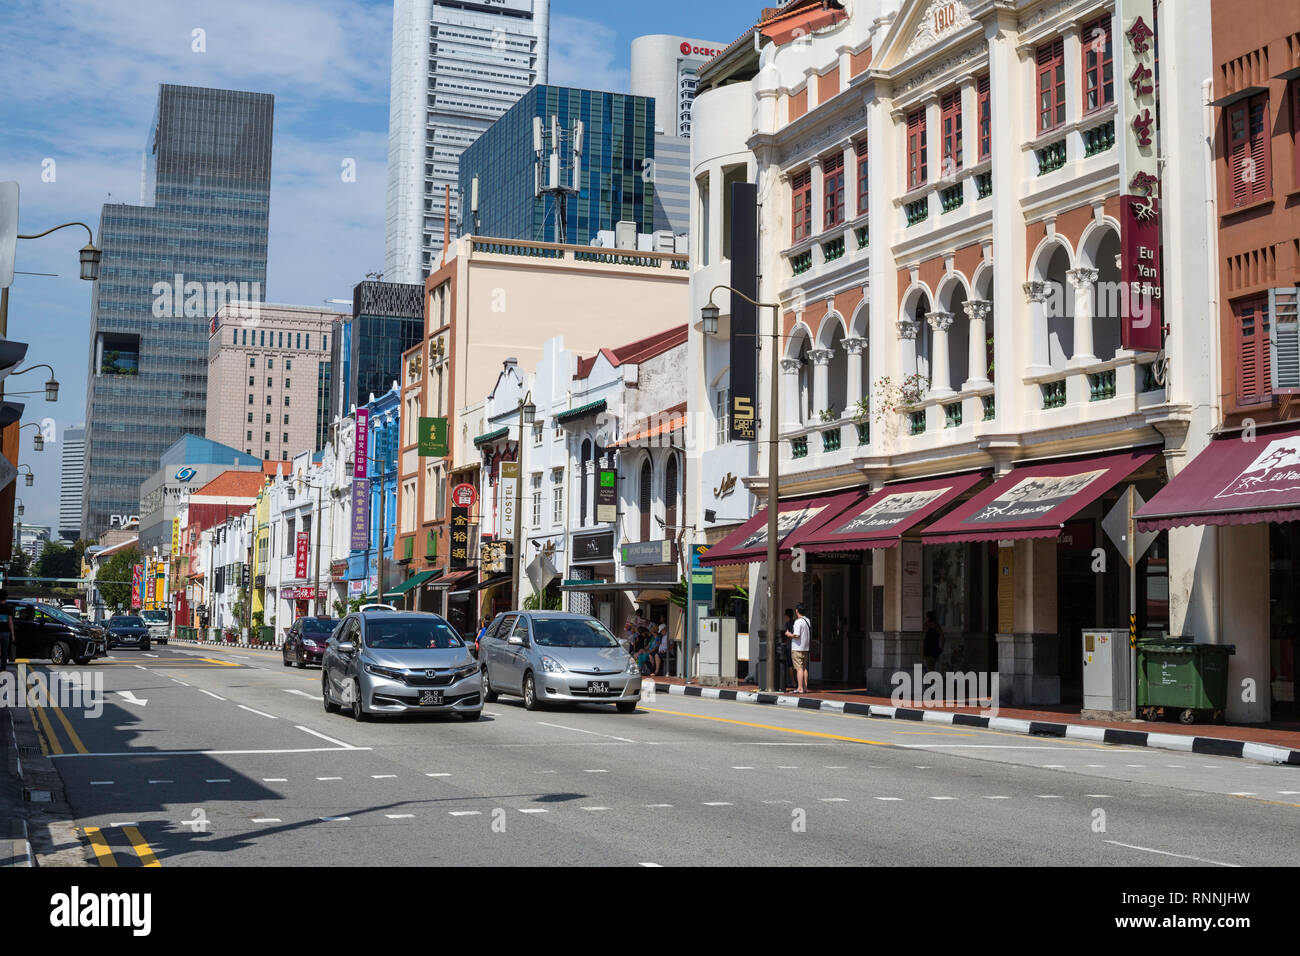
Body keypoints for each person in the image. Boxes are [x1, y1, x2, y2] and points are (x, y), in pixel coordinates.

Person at [790, 604, 811, 694]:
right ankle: (805, 687)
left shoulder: (798, 622)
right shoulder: (807, 620)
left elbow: (797, 635)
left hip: (797, 648)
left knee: (799, 668)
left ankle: (800, 688)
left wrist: (789, 634)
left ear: (797, 611)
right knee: (804, 668)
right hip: (805, 648)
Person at [778, 609, 795, 692]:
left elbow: (786, 634)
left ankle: (793, 682)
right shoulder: (796, 623)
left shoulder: (787, 624)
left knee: (790, 665)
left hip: (789, 645)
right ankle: (798, 682)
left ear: (787, 616)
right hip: (796, 646)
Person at [0, 590, 12, 670]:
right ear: (6, 598)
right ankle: (3, 667)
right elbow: (10, 622)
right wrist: (13, 634)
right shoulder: (8, 608)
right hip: (5, 633)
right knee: (4, 651)